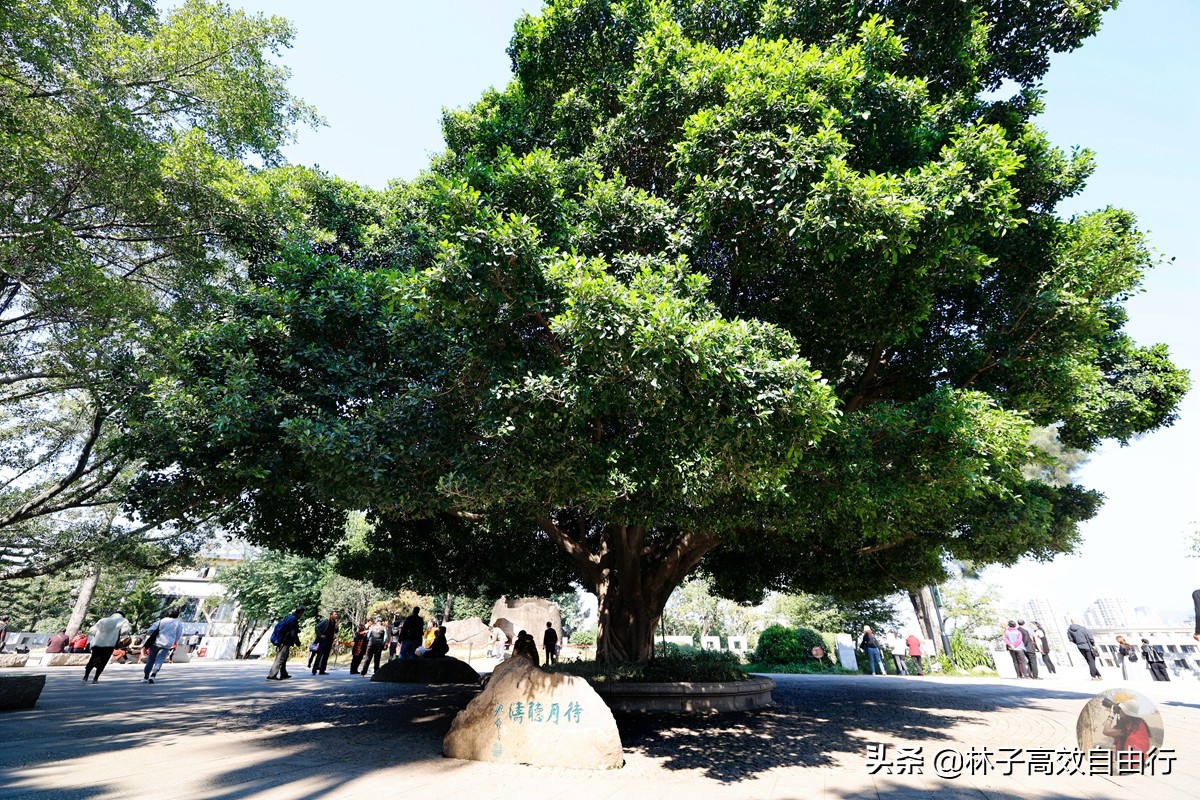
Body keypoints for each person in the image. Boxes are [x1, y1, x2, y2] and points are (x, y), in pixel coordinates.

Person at [1102, 698, 1154, 769]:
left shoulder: (1130, 727)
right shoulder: (1137, 723)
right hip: (1139, 762)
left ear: (1125, 712)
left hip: (1133, 766)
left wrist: (1111, 715)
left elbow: (1106, 731)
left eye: (1121, 709)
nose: (1119, 711)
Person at [83, 611, 130, 683]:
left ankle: (85, 676)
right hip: (110, 644)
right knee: (103, 662)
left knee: (93, 660)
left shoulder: (102, 620)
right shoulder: (123, 620)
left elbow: (92, 631)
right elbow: (124, 632)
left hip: (97, 643)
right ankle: (95, 679)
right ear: (122, 616)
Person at [143, 608, 183, 684]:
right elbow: (178, 634)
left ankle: (146, 676)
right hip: (167, 644)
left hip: (156, 642)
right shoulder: (178, 623)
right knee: (160, 659)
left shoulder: (162, 620)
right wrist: (173, 641)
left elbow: (150, 630)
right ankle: (153, 675)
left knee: (151, 659)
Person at [266, 606, 304, 681]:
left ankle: (284, 674)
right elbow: (293, 633)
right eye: (302, 613)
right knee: (280, 658)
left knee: (284, 657)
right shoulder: (294, 620)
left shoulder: (289, 617)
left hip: (283, 640)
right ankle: (272, 675)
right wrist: (297, 642)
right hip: (285, 641)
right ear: (300, 612)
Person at [311, 611, 339, 675]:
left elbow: (336, 631)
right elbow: (317, 627)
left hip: (329, 641)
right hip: (323, 641)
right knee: (319, 655)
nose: (336, 616)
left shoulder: (335, 622)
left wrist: (337, 625)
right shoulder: (326, 621)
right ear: (331, 615)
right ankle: (314, 670)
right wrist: (320, 635)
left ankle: (322, 670)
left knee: (326, 656)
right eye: (335, 614)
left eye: (337, 615)